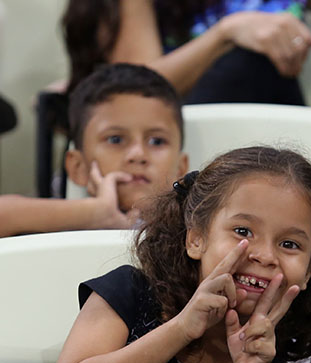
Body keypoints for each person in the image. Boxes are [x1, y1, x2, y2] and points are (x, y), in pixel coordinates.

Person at [27, 145, 311, 363]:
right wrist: (182, 328)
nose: (265, 256)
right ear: (195, 238)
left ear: (308, 271)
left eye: (289, 244)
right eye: (243, 231)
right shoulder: (130, 293)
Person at [62, 0, 311, 120]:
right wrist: (225, 34)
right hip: (183, 135)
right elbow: (134, 89)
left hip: (278, 129)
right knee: (244, 62)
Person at [0, 63, 188, 238]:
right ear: (78, 167)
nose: (138, 155)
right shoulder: (63, 226)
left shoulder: (198, 231)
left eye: (156, 141)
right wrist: (94, 214)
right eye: (116, 139)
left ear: (181, 169)